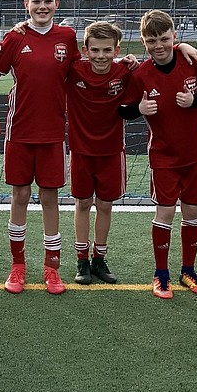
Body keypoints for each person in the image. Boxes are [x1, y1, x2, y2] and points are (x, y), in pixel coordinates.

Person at [0, 0, 81, 295]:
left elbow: (82, 74)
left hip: (54, 132)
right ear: (25, 4)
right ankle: (17, 266)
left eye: (47, 1)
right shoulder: (15, 37)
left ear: (56, 3)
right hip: (19, 131)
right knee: (19, 196)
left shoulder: (68, 37)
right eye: (35, 1)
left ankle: (51, 268)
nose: (41, 6)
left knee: (49, 198)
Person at [123, 10, 197, 300]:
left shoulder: (191, 61)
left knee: (192, 213)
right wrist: (139, 110)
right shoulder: (140, 75)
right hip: (163, 156)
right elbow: (123, 110)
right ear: (143, 41)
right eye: (152, 40)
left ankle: (188, 270)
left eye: (165, 39)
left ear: (174, 37)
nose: (159, 45)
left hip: (195, 153)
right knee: (164, 212)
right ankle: (160, 273)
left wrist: (194, 101)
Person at [66, 21, 134, 285]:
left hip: (111, 151)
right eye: (95, 50)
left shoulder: (125, 71)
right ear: (85, 50)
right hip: (81, 151)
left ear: (117, 50)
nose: (101, 56)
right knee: (82, 203)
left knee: (105, 205)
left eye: (107, 50)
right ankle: (81, 261)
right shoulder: (73, 70)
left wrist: (182, 45)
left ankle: (99, 258)